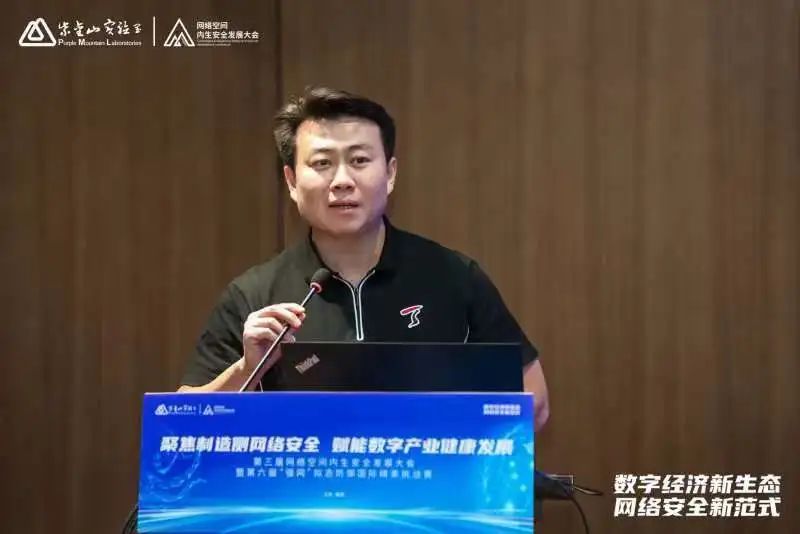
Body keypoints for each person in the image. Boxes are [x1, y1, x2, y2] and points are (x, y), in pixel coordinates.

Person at [178, 86, 550, 431]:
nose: (342, 180)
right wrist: (248, 368)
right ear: (291, 182)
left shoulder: (453, 278)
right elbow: (184, 424)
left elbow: (533, 401)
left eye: (359, 160)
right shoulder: (254, 295)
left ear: (390, 174)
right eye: (322, 163)